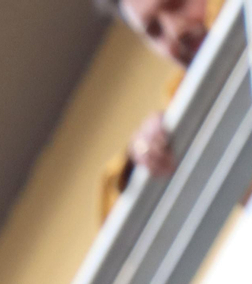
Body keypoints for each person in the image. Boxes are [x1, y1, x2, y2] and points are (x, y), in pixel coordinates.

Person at [95, 0, 227, 217]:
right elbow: (119, 229)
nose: (175, 31)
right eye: (154, 31)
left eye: (178, 3)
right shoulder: (183, 104)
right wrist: (140, 159)